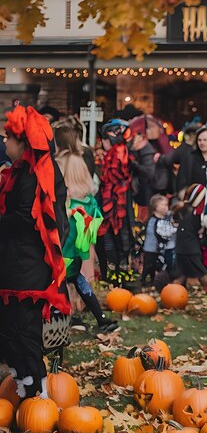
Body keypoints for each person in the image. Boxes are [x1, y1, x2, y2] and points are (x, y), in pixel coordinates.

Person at [0, 105, 70, 398]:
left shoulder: (36, 174)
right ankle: (23, 382)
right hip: (16, 262)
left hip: (27, 264)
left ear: (22, 142)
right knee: (10, 325)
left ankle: (36, 390)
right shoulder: (23, 170)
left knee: (24, 327)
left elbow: (26, 219)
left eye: (8, 137)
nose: (4, 142)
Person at [55, 127, 118, 333]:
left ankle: (66, 316)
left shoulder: (61, 163)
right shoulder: (80, 159)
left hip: (70, 220)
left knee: (63, 270)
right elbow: (90, 187)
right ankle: (98, 317)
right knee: (74, 272)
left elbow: (60, 193)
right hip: (85, 218)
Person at [96, 118, 134, 285]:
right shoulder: (117, 152)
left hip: (117, 203)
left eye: (104, 139)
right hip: (114, 202)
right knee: (113, 239)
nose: (103, 143)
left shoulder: (118, 154)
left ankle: (120, 279)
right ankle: (117, 278)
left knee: (118, 238)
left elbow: (115, 178)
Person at [172, 184, 207, 301]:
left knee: (183, 273)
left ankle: (173, 294)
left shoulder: (185, 211)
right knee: (201, 273)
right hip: (190, 247)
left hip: (180, 246)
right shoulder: (200, 215)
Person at [142, 194, 177, 285]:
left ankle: (155, 282)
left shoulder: (165, 217)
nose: (166, 207)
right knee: (149, 267)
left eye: (167, 205)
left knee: (159, 266)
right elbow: (160, 233)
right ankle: (144, 281)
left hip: (160, 249)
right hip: (151, 249)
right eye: (163, 205)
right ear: (156, 207)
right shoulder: (153, 221)